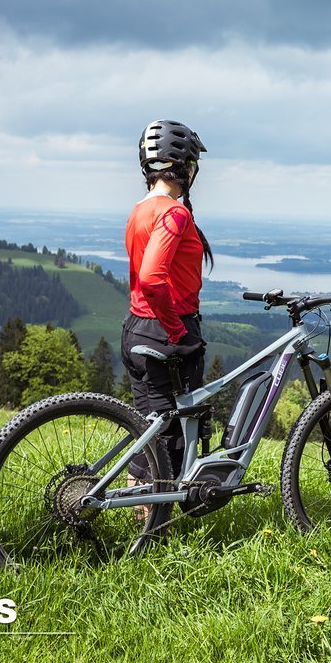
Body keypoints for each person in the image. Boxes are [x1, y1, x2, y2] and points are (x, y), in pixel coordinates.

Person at [120, 119, 213, 480]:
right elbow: (151, 278)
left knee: (148, 428)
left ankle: (139, 516)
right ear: (186, 168)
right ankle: (154, 527)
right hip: (165, 330)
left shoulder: (139, 209)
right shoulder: (174, 212)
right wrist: (179, 333)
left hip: (136, 329)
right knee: (170, 435)